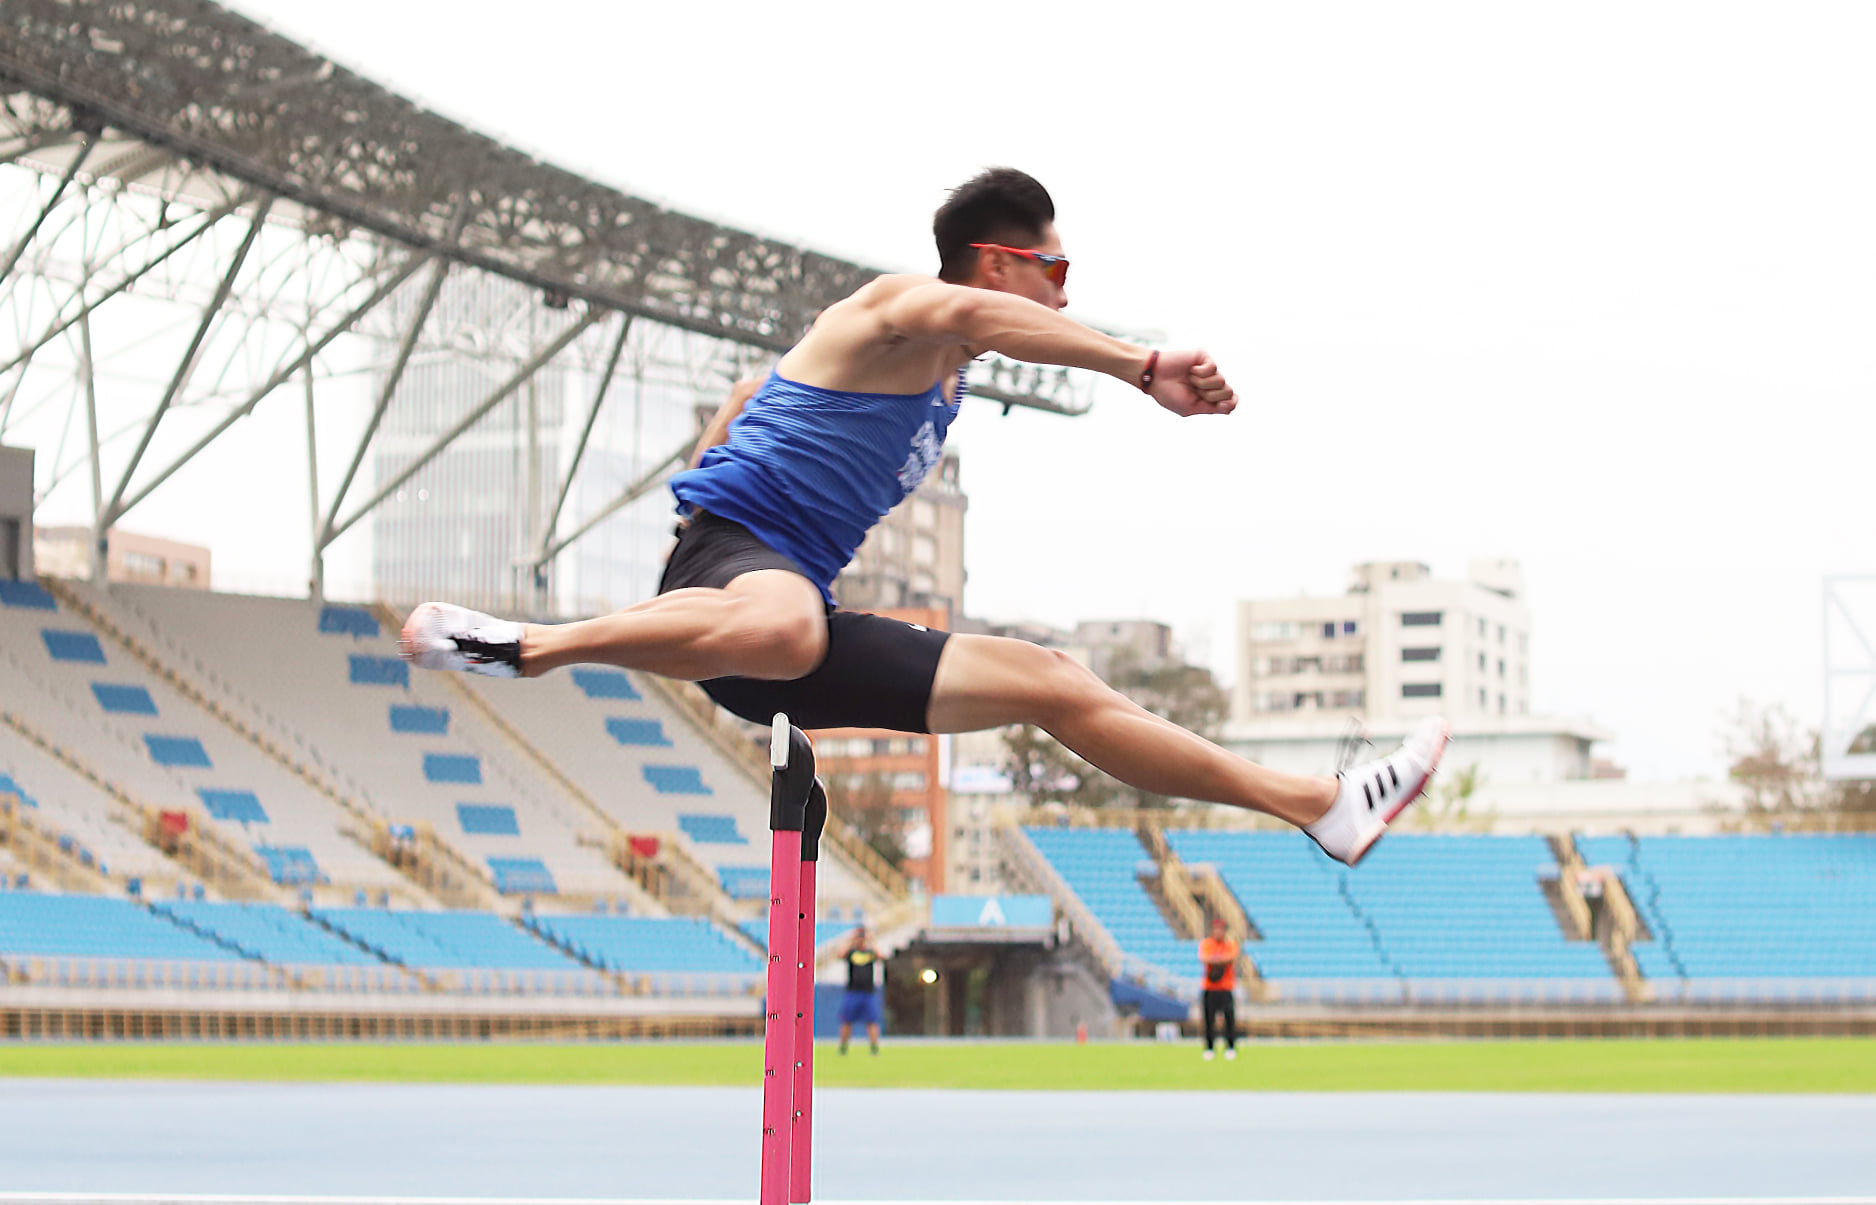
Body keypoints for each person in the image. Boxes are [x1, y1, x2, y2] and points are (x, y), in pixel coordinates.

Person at [401, 167, 1448, 865]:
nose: (1063, 294)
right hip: (730, 579)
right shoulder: (897, 310)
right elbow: (957, 313)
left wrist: (730, 432)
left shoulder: (938, 383)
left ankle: (1320, 804)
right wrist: (1137, 363)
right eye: (1056, 273)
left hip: (789, 612)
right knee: (784, 620)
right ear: (998, 263)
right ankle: (528, 644)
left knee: (1058, 682)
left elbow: (749, 407)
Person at [1197, 916, 1239, 1061]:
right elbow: (1204, 958)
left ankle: (1231, 1047)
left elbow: (1231, 958)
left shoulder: (1230, 944)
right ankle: (1209, 1048)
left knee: (1229, 1020)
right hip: (1210, 988)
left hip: (1225, 988)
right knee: (1209, 1020)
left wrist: (1215, 960)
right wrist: (1220, 960)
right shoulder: (1207, 944)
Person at [838, 925, 883, 1055]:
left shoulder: (870, 953)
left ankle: (874, 1047)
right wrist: (850, 940)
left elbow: (881, 956)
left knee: (872, 1021)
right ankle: (843, 1047)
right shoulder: (851, 952)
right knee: (846, 1021)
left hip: (868, 992)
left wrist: (871, 940)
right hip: (853, 991)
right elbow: (840, 954)